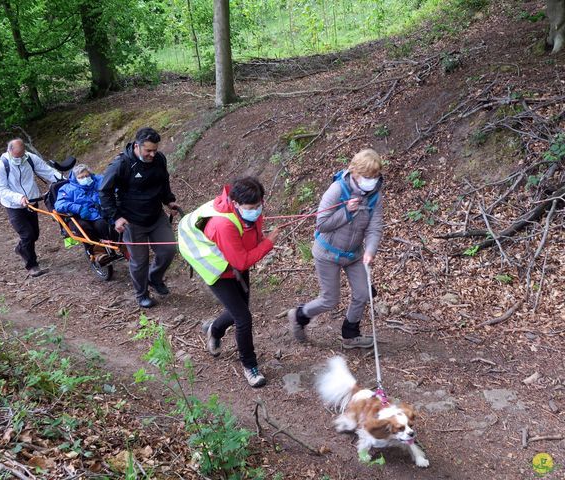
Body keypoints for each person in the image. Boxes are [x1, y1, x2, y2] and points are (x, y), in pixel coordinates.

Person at [178, 177, 280, 388]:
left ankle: (214, 329)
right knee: (243, 318)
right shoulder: (222, 224)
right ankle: (250, 366)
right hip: (216, 269)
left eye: (260, 205)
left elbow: (246, 242)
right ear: (235, 203)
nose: (258, 210)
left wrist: (259, 239)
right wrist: (268, 244)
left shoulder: (247, 211)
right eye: (252, 207)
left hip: (235, 262)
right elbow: (241, 260)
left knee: (240, 310)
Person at [287, 148, 384, 349]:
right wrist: (346, 212)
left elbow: (375, 227)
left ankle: (350, 335)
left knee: (363, 293)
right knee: (329, 300)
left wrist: (370, 251)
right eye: (367, 176)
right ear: (355, 173)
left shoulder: (375, 197)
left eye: (375, 176)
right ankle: (298, 316)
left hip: (354, 254)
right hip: (327, 253)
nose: (371, 181)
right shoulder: (338, 190)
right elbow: (321, 224)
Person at [99, 127, 180, 308]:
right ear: (137, 146)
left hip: (155, 214)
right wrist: (116, 217)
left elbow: (163, 181)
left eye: (155, 150)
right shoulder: (122, 164)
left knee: (168, 250)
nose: (152, 154)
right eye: (148, 150)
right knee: (139, 260)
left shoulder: (159, 159)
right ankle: (141, 294)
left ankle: (155, 277)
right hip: (132, 220)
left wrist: (169, 201)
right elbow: (104, 191)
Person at [0, 138, 61, 277]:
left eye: (22, 153)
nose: (20, 157)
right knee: (27, 234)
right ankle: (32, 266)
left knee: (34, 234)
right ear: (10, 151)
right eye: (17, 155)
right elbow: (1, 189)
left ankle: (21, 249)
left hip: (32, 201)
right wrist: (18, 198)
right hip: (13, 206)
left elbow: (47, 171)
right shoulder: (2, 165)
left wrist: (63, 181)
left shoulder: (30, 158)